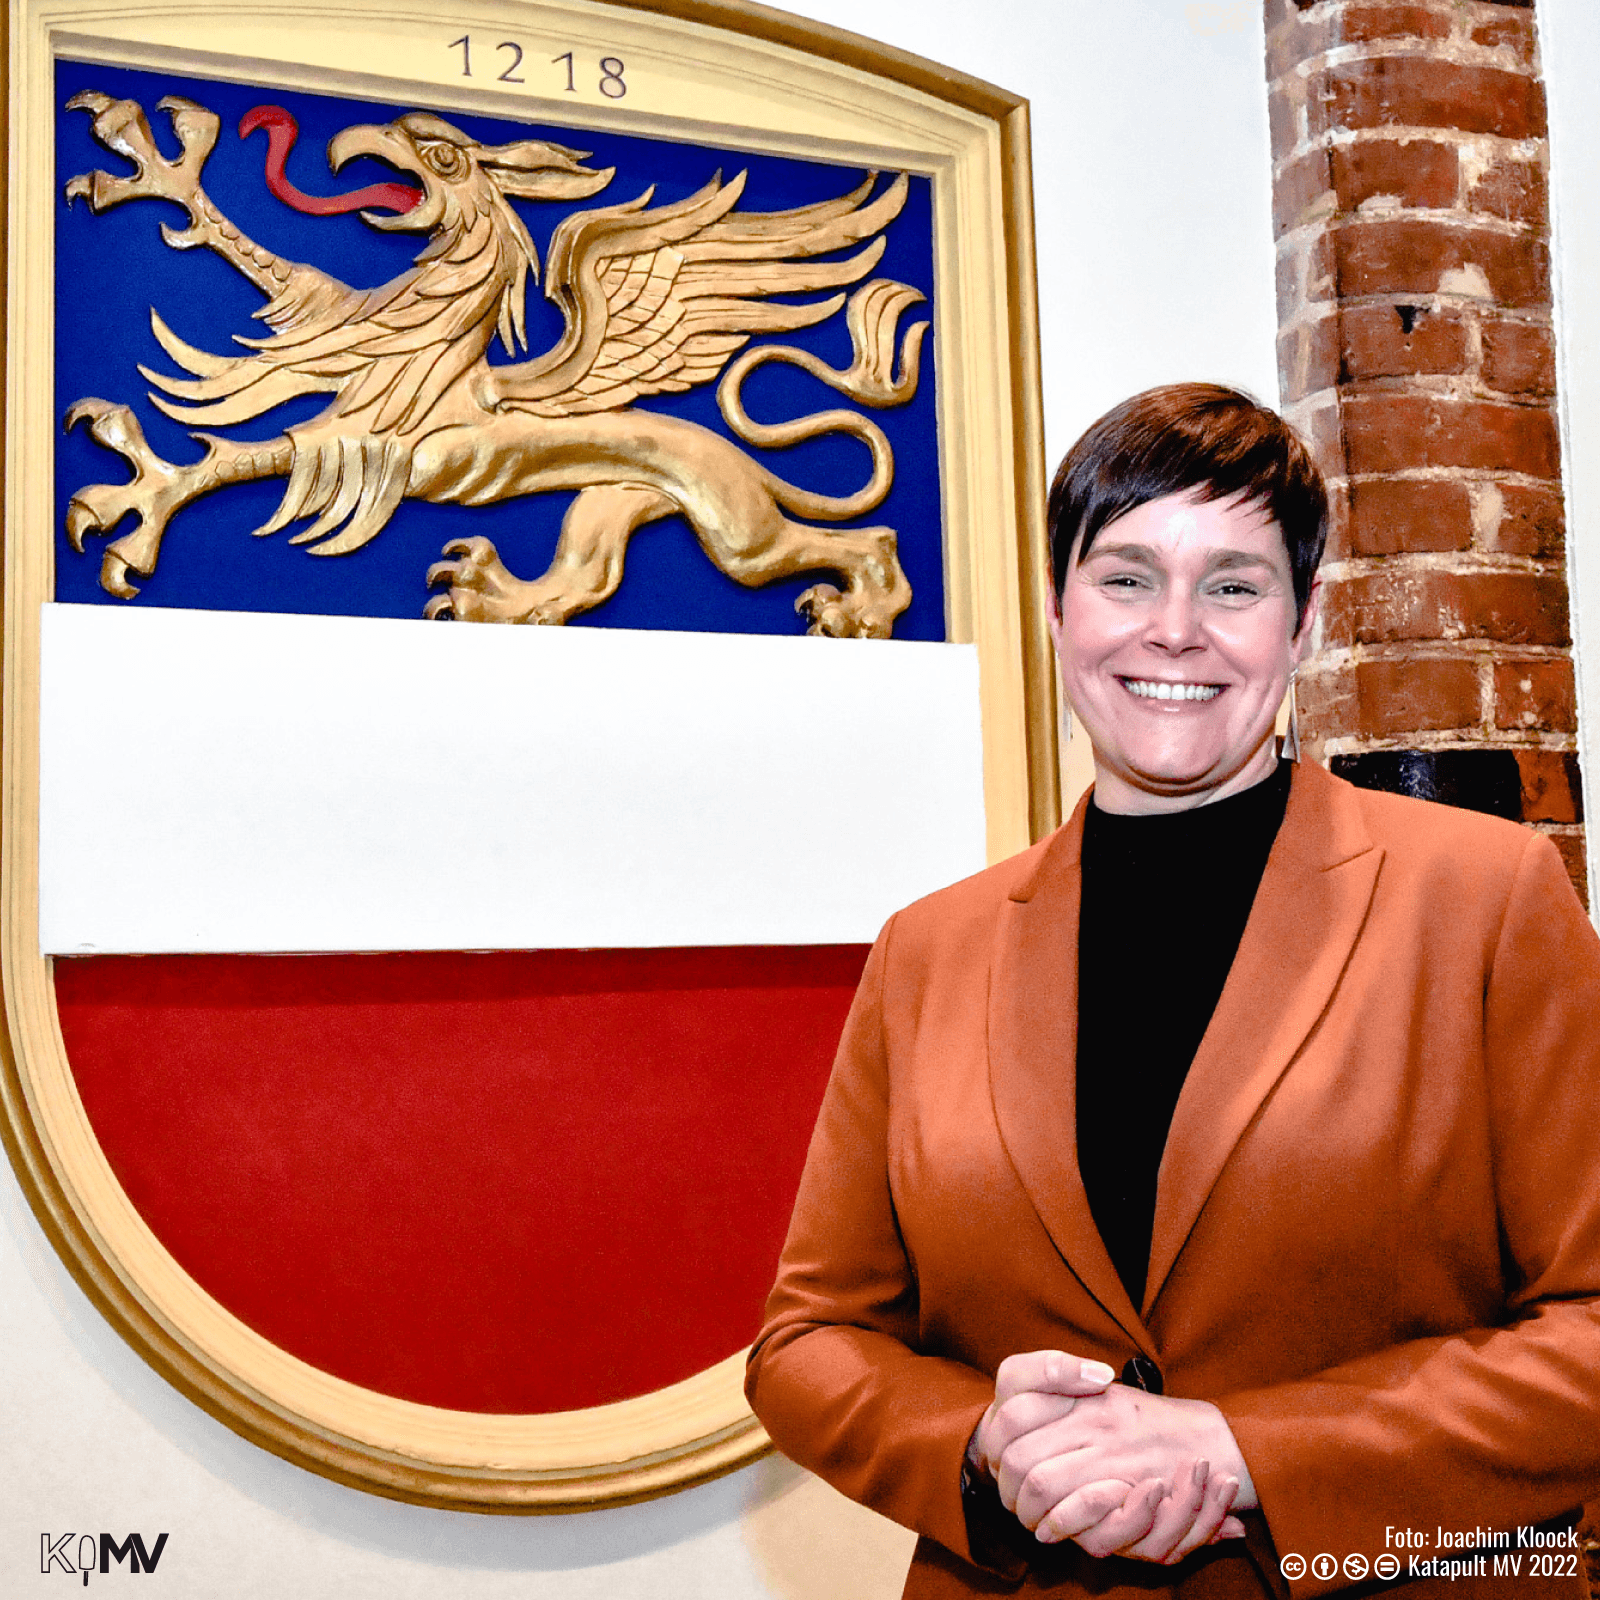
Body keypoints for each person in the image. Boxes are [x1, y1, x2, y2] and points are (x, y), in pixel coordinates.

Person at [745, 383, 1600, 1598]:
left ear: (1301, 624)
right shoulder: (927, 949)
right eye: (1127, 576)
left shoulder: (1485, 899)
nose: (1175, 630)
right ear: (1056, 611)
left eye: (1235, 585)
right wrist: (983, 1442)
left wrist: (1245, 1448)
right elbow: (807, 1343)